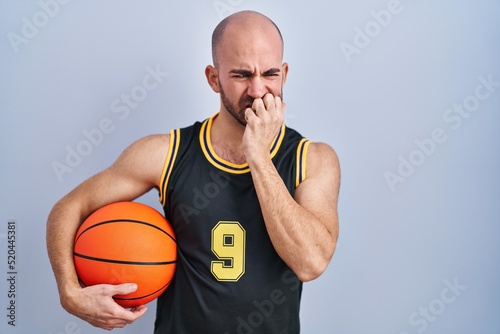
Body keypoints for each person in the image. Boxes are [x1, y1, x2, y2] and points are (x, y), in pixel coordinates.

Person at [46, 10, 340, 333]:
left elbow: (311, 263)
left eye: (269, 74)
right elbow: (68, 208)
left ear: (284, 73)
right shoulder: (167, 154)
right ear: (213, 78)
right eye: (242, 75)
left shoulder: (311, 159)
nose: (258, 90)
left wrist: (259, 157)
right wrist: (70, 292)